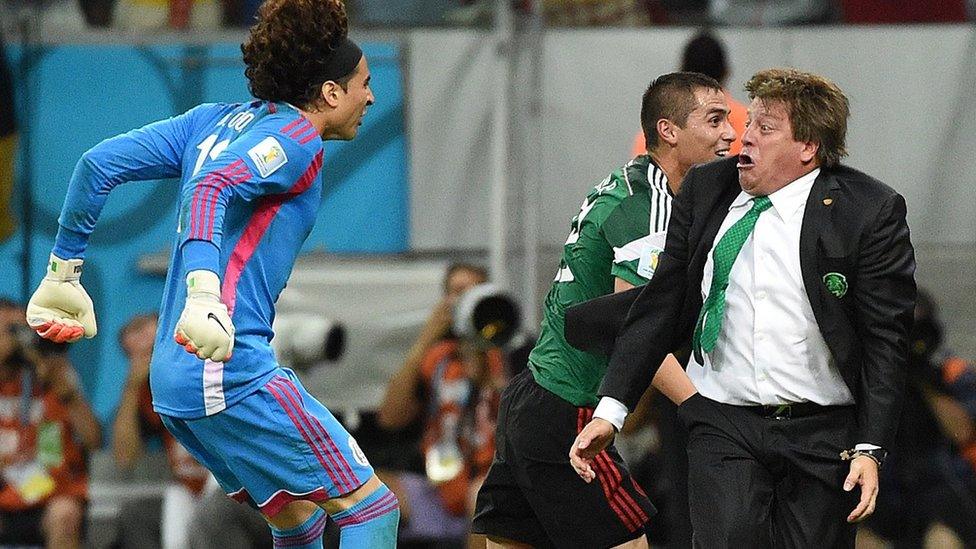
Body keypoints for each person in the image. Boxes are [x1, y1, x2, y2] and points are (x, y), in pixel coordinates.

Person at [22, 0, 400, 547]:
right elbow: (211, 188)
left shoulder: (210, 120)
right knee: (372, 510)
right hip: (229, 369)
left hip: (174, 379)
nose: (371, 96)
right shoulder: (296, 138)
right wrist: (205, 293)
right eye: (363, 83)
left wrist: (64, 271)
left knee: (299, 519)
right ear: (330, 92)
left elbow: (97, 164)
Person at [569, 68, 917, 548]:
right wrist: (612, 410)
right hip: (723, 420)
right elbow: (661, 304)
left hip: (822, 429)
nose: (742, 136)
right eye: (747, 121)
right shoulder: (708, 188)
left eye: (764, 128)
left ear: (808, 147)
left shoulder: (868, 210)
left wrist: (871, 447)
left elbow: (886, 340)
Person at [471, 72, 735, 549]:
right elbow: (637, 326)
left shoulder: (628, 183)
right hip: (566, 405)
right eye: (715, 120)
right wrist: (705, 410)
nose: (730, 134)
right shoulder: (650, 206)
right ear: (669, 131)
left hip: (530, 397)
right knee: (629, 543)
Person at [376, 263, 507, 544]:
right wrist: (425, 338)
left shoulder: (508, 350)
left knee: (480, 494)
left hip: (490, 487)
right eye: (458, 292)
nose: (468, 301)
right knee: (364, 489)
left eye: (476, 292)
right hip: (436, 487)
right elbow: (390, 418)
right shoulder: (437, 358)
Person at [0, 299, 101, 548]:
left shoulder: (54, 375)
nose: (19, 339)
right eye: (9, 330)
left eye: (22, 329)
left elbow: (94, 440)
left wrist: (67, 392)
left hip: (52, 493)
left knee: (64, 515)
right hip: (4, 490)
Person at [112, 313, 211, 549]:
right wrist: (132, 387)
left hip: (230, 482)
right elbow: (125, 458)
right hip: (186, 486)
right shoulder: (150, 394)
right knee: (154, 517)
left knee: (215, 515)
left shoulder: (209, 362)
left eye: (152, 348)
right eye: (141, 356)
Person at [631, 30, 747, 158]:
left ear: (681, 71)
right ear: (727, 71)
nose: (730, 135)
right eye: (714, 121)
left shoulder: (657, 132)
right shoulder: (749, 124)